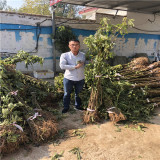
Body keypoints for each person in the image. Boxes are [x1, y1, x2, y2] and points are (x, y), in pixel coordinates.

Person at [59, 39, 86, 113]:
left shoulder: (83, 55)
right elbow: (62, 66)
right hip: (69, 78)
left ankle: (77, 106)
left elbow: (85, 64)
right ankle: (66, 107)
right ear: (69, 46)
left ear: (79, 46)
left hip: (80, 78)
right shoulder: (65, 55)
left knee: (78, 94)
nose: (75, 46)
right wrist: (75, 67)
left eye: (76, 45)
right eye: (72, 45)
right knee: (67, 93)